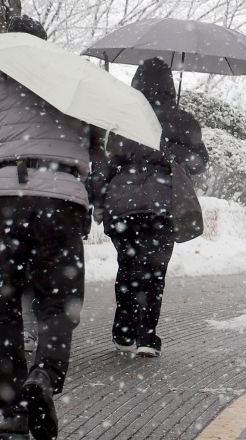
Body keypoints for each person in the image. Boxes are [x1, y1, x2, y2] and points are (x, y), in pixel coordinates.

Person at [0, 16, 104, 440]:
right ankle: (44, 373)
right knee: (59, 301)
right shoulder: (76, 81)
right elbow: (96, 147)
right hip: (61, 199)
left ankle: (13, 412)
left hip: (6, 196)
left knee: (5, 304)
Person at [88, 58, 207, 356]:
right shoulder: (182, 122)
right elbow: (199, 163)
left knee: (128, 266)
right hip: (161, 205)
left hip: (123, 205)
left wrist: (98, 199)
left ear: (136, 83)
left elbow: (104, 164)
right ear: (170, 86)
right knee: (154, 270)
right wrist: (173, 147)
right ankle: (147, 337)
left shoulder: (123, 117)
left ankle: (123, 331)